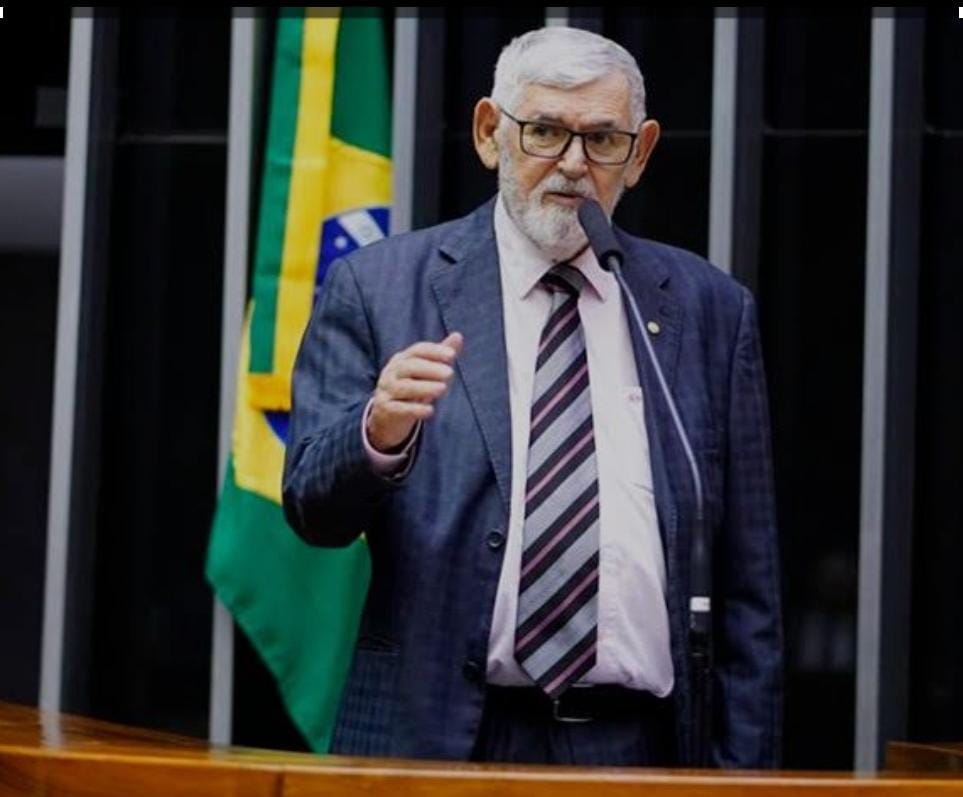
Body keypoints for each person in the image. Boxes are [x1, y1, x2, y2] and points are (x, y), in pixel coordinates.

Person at [282, 25, 782, 768]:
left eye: (602, 140)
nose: (573, 165)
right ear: (491, 133)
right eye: (545, 131)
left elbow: (750, 586)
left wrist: (747, 779)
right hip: (438, 738)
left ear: (639, 153)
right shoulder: (382, 288)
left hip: (639, 747)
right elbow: (310, 510)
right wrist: (375, 435)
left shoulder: (707, 310)